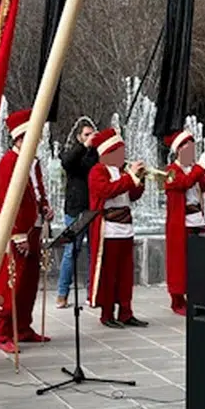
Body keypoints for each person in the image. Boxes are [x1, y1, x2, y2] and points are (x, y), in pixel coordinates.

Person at [0, 108, 54, 352]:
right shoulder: (9, 163)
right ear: (20, 138)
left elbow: (37, 193)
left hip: (35, 228)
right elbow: (8, 201)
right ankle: (5, 331)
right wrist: (16, 234)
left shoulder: (33, 163)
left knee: (29, 283)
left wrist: (46, 208)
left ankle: (24, 328)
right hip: (18, 233)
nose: (38, 141)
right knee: (12, 285)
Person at [87, 128, 148, 328]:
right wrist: (130, 176)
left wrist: (141, 179)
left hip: (126, 228)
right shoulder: (98, 171)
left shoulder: (122, 172)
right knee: (109, 274)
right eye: (119, 151)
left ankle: (126, 311)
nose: (123, 155)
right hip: (109, 230)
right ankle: (107, 314)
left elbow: (132, 196)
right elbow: (107, 191)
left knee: (126, 274)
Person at [163, 129, 205, 315]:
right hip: (181, 223)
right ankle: (177, 299)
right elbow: (183, 183)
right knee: (180, 262)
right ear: (179, 150)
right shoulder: (171, 171)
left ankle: (197, 295)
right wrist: (200, 168)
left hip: (197, 220)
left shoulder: (194, 169)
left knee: (198, 262)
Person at [57, 117, 98, 308]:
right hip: (76, 209)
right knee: (71, 251)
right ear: (79, 137)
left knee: (94, 251)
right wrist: (84, 146)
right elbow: (67, 163)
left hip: (94, 208)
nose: (90, 138)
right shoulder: (73, 153)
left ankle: (93, 292)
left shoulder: (96, 154)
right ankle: (62, 293)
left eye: (92, 134)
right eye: (86, 135)